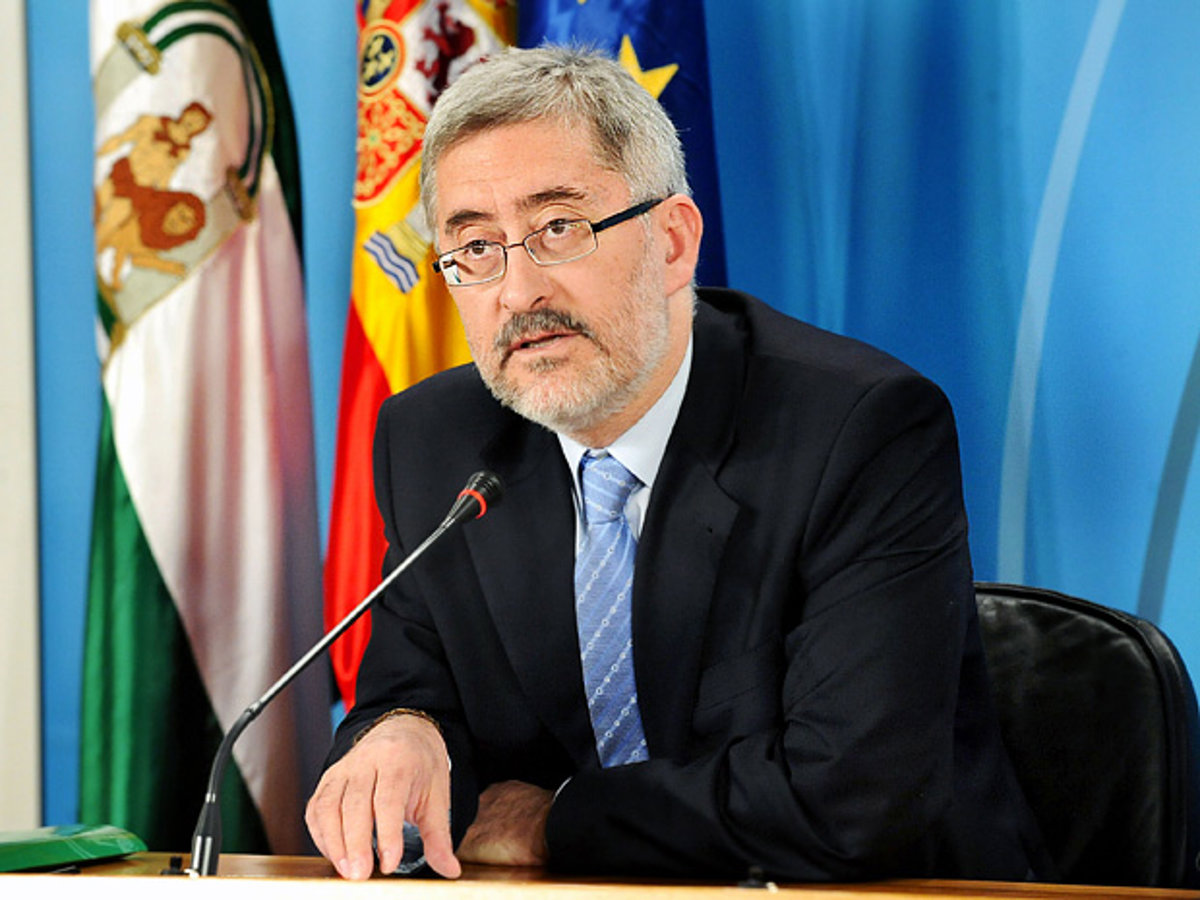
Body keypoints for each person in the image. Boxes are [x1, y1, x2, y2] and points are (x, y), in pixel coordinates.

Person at [306, 45, 1048, 884]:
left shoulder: (856, 428)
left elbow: (852, 795)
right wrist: (403, 731)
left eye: (558, 229)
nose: (516, 292)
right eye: (474, 246)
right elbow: (409, 686)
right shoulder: (434, 440)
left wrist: (555, 823)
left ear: (672, 242)